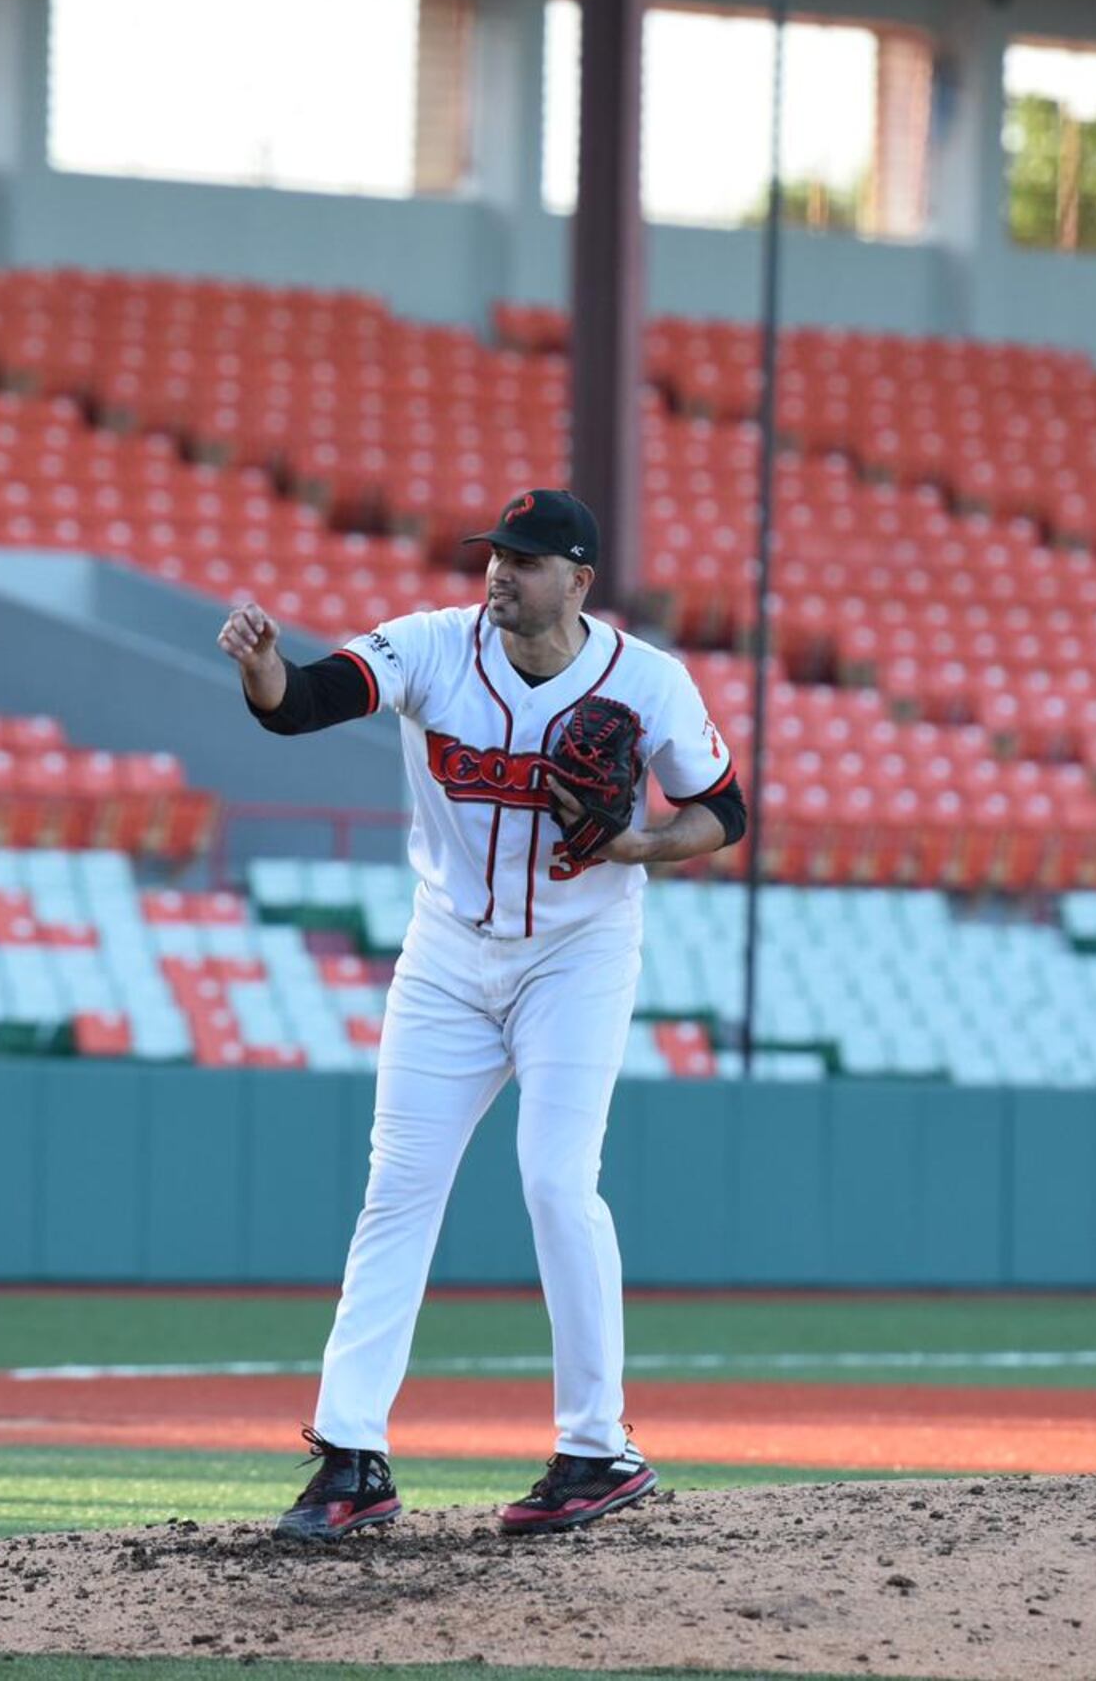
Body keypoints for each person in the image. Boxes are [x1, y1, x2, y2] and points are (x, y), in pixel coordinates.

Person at [217, 488, 746, 1539]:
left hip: (578, 953)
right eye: (495, 554)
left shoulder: (647, 681)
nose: (500, 572)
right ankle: (350, 1453)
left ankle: (598, 1447)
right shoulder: (429, 647)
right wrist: (261, 665)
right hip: (448, 954)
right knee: (398, 1186)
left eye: (527, 558)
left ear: (579, 578)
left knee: (556, 1178)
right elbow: (305, 701)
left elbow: (724, 810)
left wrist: (636, 846)